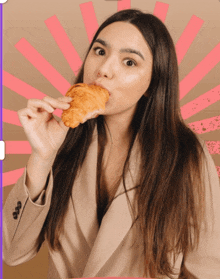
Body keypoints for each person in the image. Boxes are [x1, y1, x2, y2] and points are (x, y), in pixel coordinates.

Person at [3, 8, 220, 279]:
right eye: (100, 51)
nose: (104, 70)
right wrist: (42, 156)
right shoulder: (61, 141)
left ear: (153, 82)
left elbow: (208, 271)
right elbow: (12, 253)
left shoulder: (185, 154)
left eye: (129, 62)